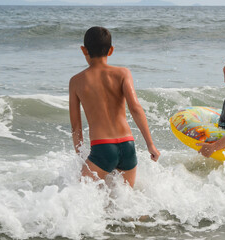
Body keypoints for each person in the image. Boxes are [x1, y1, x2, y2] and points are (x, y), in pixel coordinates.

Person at [69, 26, 160, 187]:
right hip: (128, 146)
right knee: (126, 202)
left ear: (84, 50)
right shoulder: (123, 73)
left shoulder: (76, 81)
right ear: (111, 50)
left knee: (81, 196)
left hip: (101, 148)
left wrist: (80, 158)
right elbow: (136, 108)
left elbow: (76, 127)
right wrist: (150, 144)